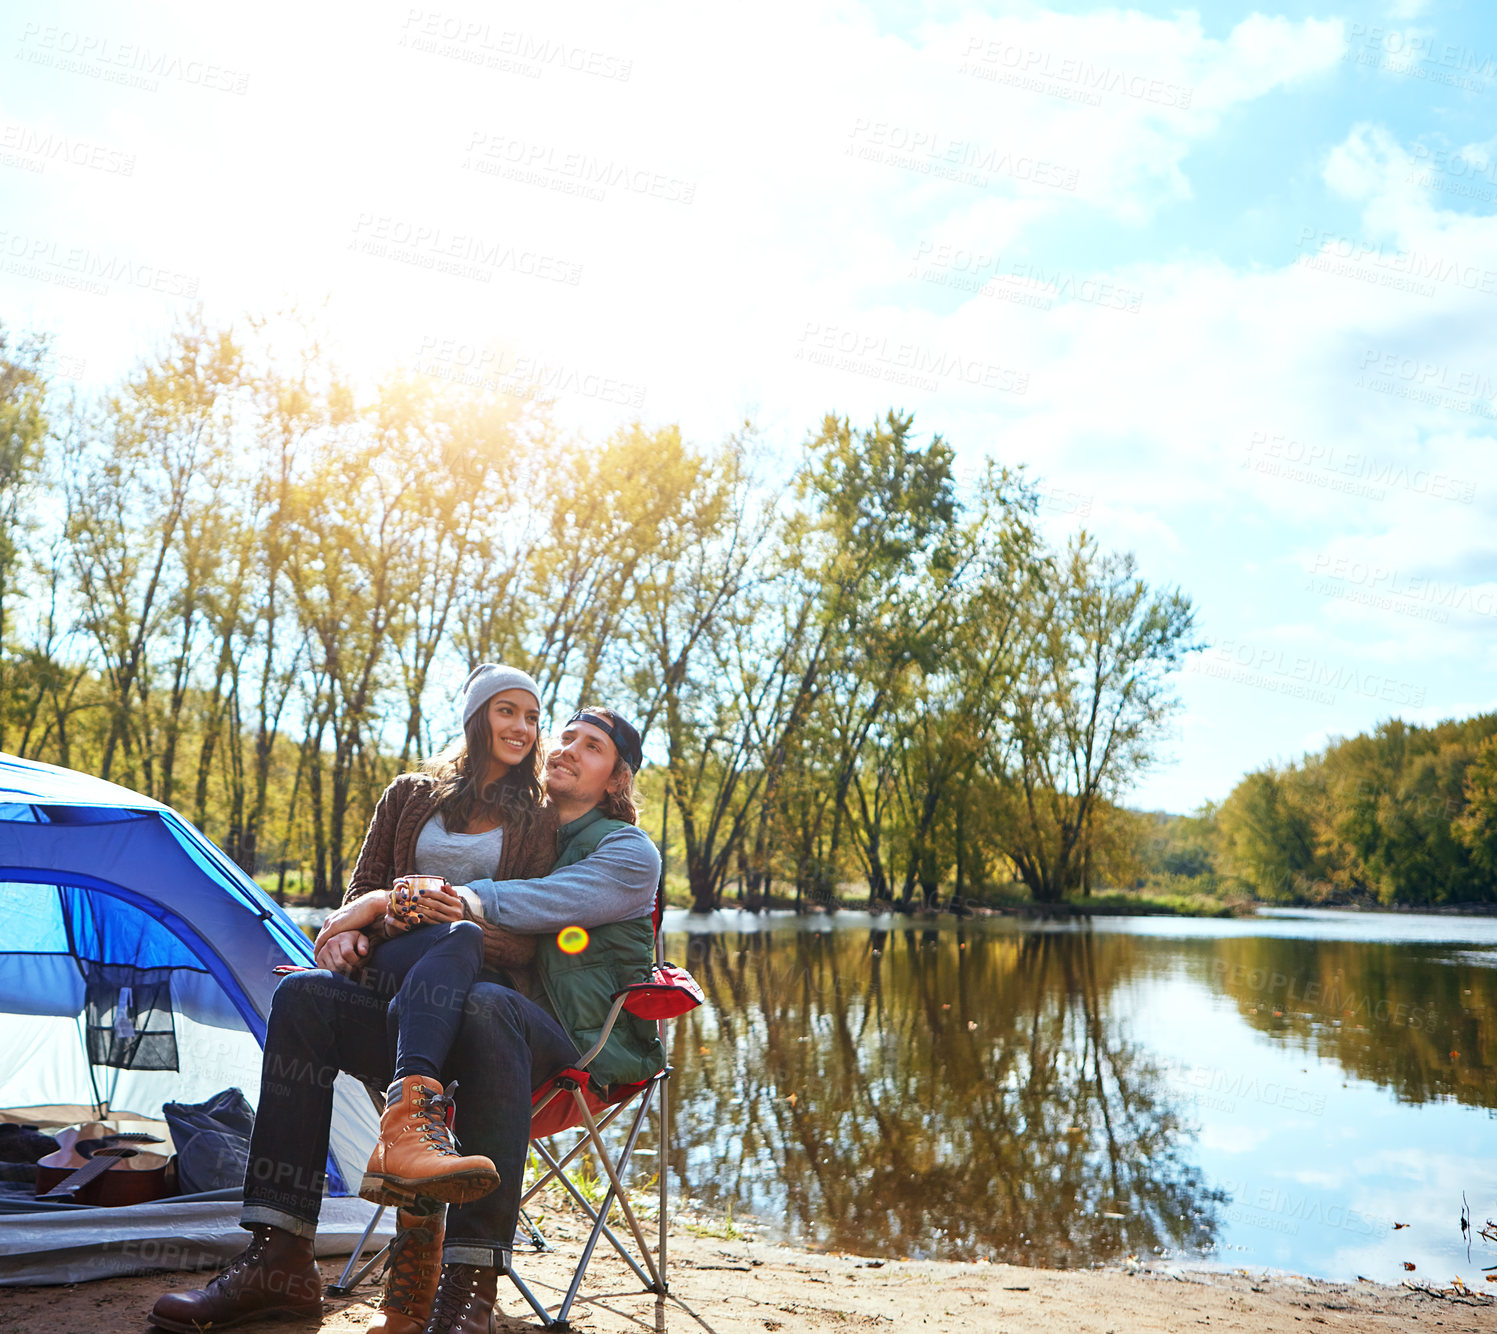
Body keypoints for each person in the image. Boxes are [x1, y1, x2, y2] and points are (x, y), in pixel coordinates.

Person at [148, 701, 663, 1334]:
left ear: (616, 779)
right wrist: (368, 911)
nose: (565, 748)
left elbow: (540, 908)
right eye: (566, 737)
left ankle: (469, 1286)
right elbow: (417, 915)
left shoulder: (629, 853)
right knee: (307, 997)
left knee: (490, 1001)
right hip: (445, 1021)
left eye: (591, 747)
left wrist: (459, 900)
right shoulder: (523, 824)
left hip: (571, 1050)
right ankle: (276, 1260)